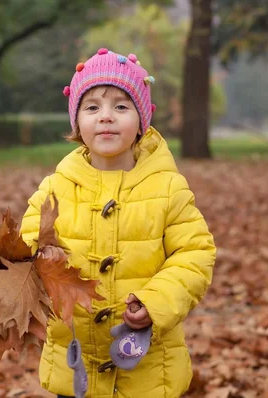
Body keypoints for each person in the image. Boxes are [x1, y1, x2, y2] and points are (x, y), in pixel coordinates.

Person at [19, 48, 216, 397]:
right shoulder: (55, 188)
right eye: (92, 107)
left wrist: (156, 303)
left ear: (142, 120)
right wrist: (41, 268)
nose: (106, 117)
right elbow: (27, 248)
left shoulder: (167, 188)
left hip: (148, 370)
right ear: (76, 122)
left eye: (121, 107)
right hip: (74, 362)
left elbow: (195, 255)